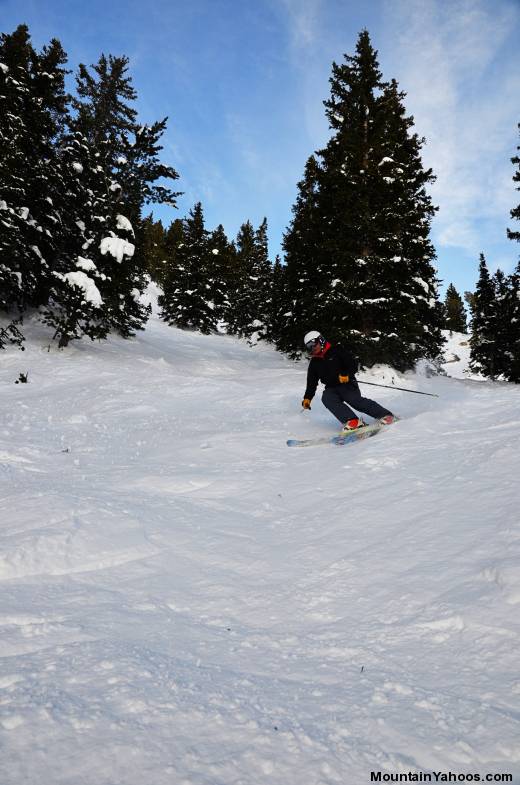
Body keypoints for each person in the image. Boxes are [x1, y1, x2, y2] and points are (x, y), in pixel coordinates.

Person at [301, 331, 395, 432]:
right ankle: (353, 422)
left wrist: (346, 374)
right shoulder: (315, 362)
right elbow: (311, 382)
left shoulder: (337, 350)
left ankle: (385, 415)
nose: (312, 348)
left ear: (321, 340)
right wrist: (307, 398)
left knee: (354, 400)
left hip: (347, 383)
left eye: (313, 344)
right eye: (309, 346)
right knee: (327, 398)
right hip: (331, 388)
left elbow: (353, 364)